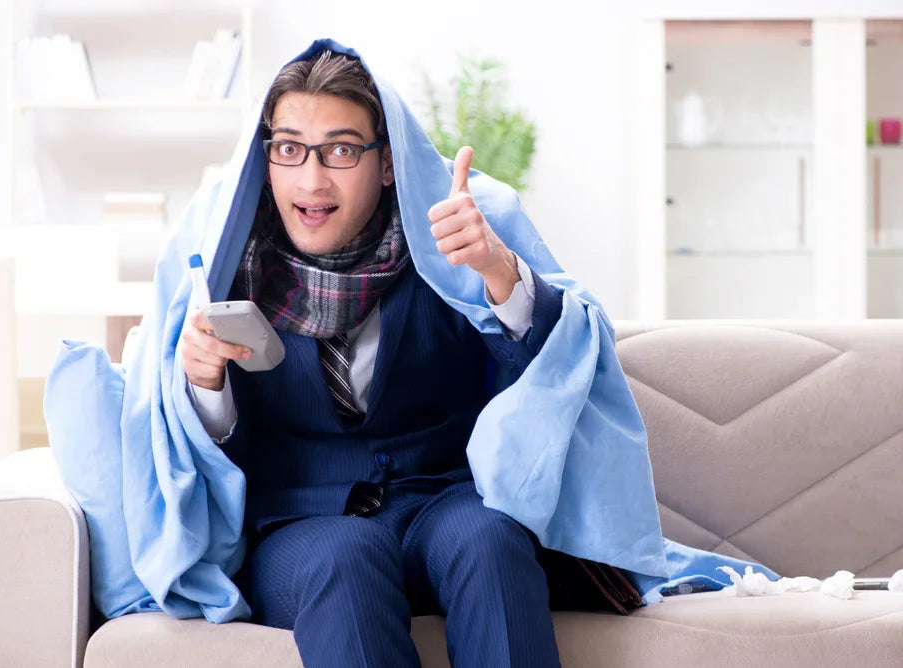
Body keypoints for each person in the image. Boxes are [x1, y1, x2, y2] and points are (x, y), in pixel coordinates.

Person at [176, 48, 637, 667]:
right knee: (346, 555)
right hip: (300, 526)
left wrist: (498, 271)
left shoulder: (449, 245)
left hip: (443, 502)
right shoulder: (228, 262)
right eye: (289, 148)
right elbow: (206, 468)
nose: (311, 180)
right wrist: (206, 385)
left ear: (388, 163)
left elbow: (551, 380)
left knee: (491, 538)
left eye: (341, 150)